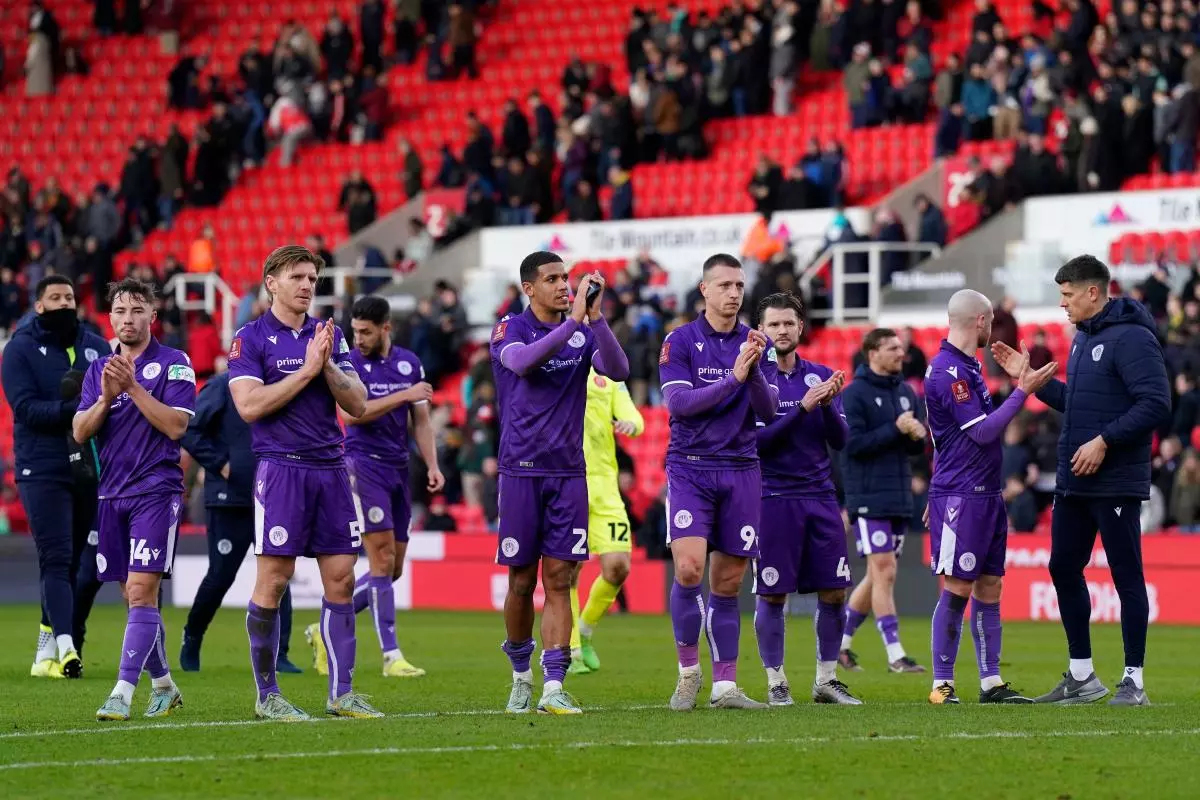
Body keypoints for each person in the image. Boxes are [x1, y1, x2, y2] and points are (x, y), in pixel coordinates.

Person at [993, 255, 1170, 706]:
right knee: (1062, 568)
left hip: (1115, 482)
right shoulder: (1081, 339)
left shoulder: (1132, 338)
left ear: (1094, 292)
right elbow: (1079, 404)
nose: (1062, 305)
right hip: (1076, 479)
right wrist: (1030, 382)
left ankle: (1134, 680)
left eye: (1068, 295)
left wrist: (1104, 441)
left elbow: (1155, 403)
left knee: (1126, 576)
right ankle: (1081, 676)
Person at [228, 245, 378, 721]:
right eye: (297, 277)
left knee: (342, 577)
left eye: (312, 278)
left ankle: (342, 693)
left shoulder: (328, 336)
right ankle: (267, 694)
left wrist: (328, 364)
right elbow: (249, 406)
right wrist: (308, 371)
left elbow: (358, 403)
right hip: (281, 470)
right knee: (274, 580)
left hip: (332, 469)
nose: (307, 285)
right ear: (271, 282)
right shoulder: (250, 338)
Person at [490, 251, 629, 715]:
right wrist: (572, 324)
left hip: (569, 473)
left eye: (565, 278)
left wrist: (596, 320)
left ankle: (553, 685)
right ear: (529, 288)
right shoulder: (509, 328)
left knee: (558, 578)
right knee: (521, 580)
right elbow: (525, 363)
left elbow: (619, 369)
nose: (563, 285)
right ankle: (519, 675)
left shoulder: (581, 330)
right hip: (520, 473)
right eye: (551, 279)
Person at [923, 290, 1057, 705]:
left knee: (990, 585)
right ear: (980, 321)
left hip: (985, 493)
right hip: (961, 495)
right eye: (992, 320)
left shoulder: (968, 367)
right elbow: (980, 433)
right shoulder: (948, 372)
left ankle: (991, 683)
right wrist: (1023, 390)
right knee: (959, 586)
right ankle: (942, 683)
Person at [658, 253, 778, 712]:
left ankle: (726, 686)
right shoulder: (681, 341)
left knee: (727, 583)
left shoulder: (753, 342)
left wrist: (752, 372)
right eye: (725, 285)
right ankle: (689, 673)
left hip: (742, 468)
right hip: (691, 466)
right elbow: (682, 405)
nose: (734, 293)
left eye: (739, 286)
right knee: (689, 569)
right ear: (704, 290)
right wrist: (735, 377)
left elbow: (766, 411)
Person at [72, 278, 195, 721]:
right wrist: (107, 396)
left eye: (137, 310)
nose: (128, 318)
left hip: (156, 492)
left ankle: (122, 693)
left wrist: (133, 389)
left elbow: (177, 427)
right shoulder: (98, 371)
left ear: (152, 317)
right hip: (111, 496)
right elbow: (81, 431)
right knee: (132, 596)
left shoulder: (175, 364)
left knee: (143, 592)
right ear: (111, 318)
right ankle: (164, 685)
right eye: (120, 311)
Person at [306, 295, 443, 679]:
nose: (359, 338)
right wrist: (405, 394)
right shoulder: (349, 364)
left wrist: (432, 464)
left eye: (366, 331)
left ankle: (322, 628)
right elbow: (357, 413)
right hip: (362, 467)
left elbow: (421, 421)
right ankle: (391, 656)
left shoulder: (408, 362)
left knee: (392, 569)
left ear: (386, 328)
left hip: (399, 469)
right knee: (380, 560)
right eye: (355, 330)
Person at [752, 292, 860, 706]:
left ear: (800, 327)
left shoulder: (820, 375)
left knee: (834, 592)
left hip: (821, 497)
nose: (781, 330)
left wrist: (828, 406)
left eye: (788, 323)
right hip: (773, 497)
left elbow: (841, 439)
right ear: (761, 331)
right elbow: (757, 442)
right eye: (773, 324)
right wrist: (801, 408)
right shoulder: (753, 379)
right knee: (773, 594)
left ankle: (826, 680)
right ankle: (776, 681)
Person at [1, 275, 109, 678]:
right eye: (55, 297)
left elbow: (112, 402)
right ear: (39, 306)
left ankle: (46, 647)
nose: (65, 302)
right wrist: (78, 410)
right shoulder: (20, 350)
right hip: (40, 466)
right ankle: (67, 648)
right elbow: (26, 410)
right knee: (57, 557)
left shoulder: (96, 346)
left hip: (86, 465)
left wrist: (94, 408)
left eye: (69, 296)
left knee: (77, 561)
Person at [179, 371, 301, 674]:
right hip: (229, 499)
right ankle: (192, 638)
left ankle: (279, 652)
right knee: (221, 575)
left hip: (272, 496)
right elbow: (191, 430)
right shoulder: (221, 385)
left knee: (278, 574)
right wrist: (221, 463)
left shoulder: (278, 383)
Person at [839, 328, 926, 674]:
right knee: (885, 571)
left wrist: (917, 438)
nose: (900, 353)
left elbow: (911, 445)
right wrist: (897, 428)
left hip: (899, 495)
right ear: (872, 353)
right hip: (868, 495)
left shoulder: (906, 393)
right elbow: (852, 445)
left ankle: (840, 644)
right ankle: (895, 655)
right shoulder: (854, 395)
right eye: (892, 348)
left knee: (879, 575)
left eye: (901, 348)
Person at [567, 364, 645, 675]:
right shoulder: (555, 362)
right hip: (569, 482)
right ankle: (570, 650)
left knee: (618, 566)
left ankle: (585, 633)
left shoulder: (608, 374)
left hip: (605, 488)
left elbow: (634, 417)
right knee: (568, 569)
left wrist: (631, 424)